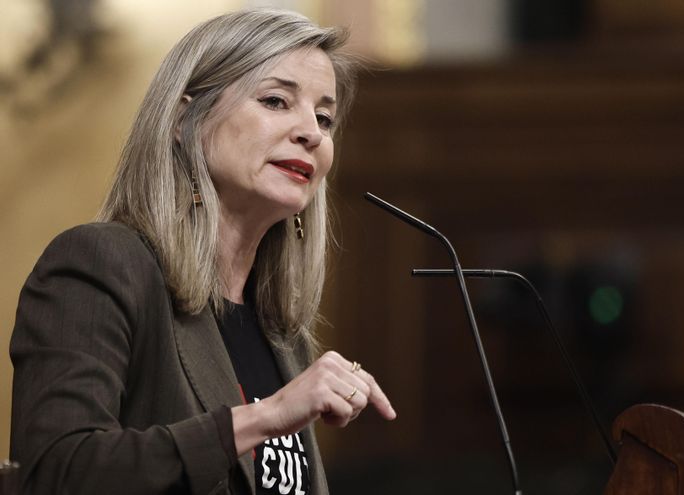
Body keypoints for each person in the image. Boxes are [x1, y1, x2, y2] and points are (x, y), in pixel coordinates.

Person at [9, 8, 395, 495]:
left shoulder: (280, 331)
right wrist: (267, 416)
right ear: (185, 117)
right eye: (276, 101)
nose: (312, 133)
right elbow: (57, 472)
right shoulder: (101, 264)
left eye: (324, 117)